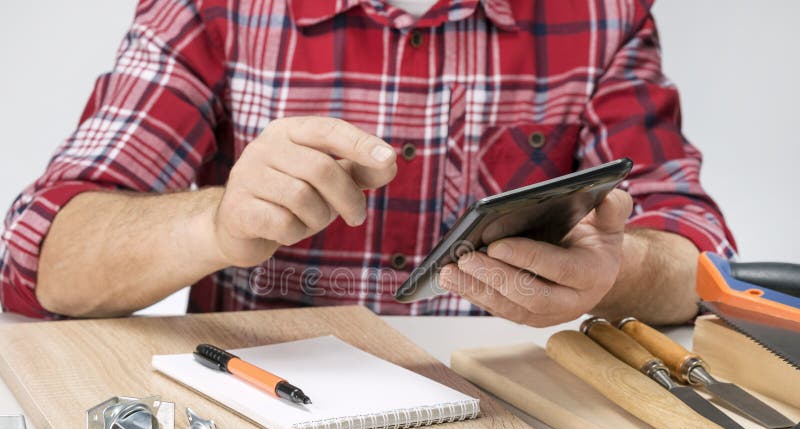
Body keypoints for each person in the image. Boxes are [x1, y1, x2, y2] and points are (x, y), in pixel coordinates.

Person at [0, 0, 736, 326]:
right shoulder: (214, 4)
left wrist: (619, 270)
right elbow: (37, 260)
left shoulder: (605, 11)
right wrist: (217, 221)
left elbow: (706, 269)